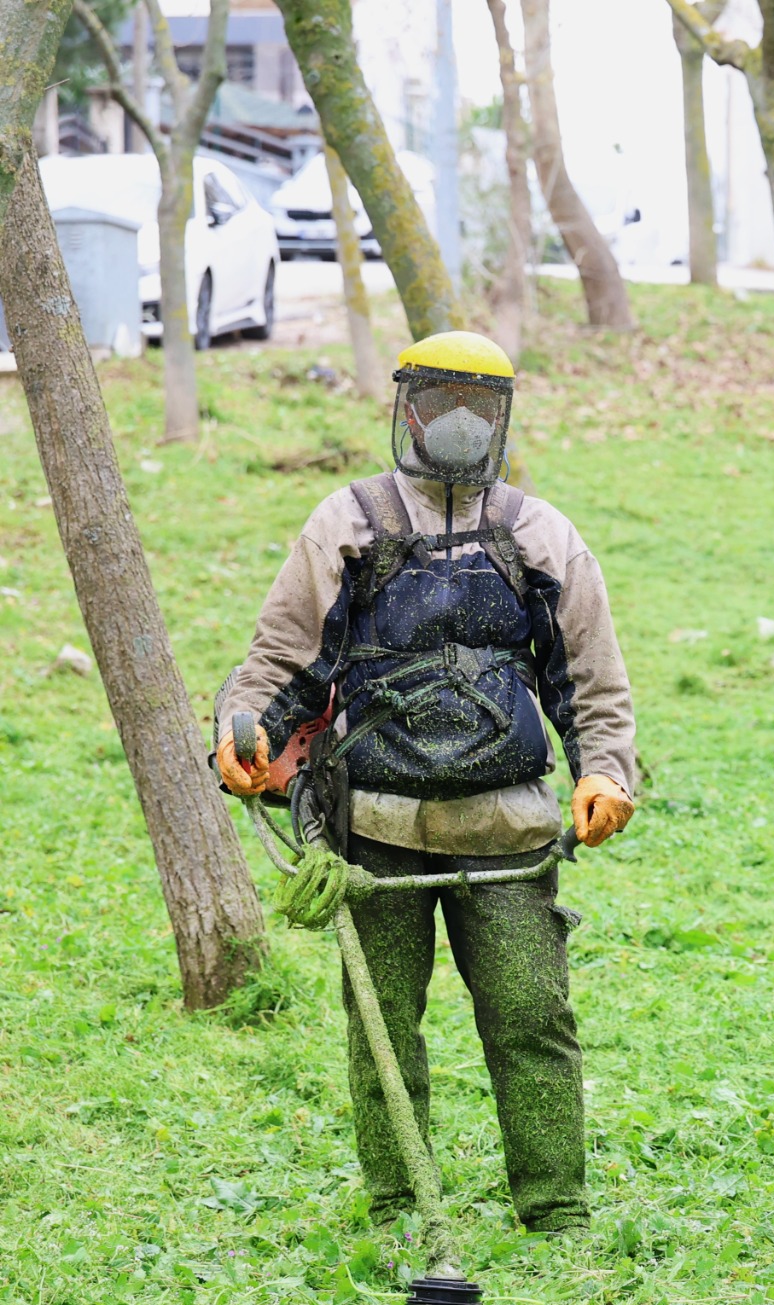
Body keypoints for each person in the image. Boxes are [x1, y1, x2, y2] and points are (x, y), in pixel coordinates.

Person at [215, 330, 636, 1238]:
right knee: (381, 1027)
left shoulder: (539, 534)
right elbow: (282, 662)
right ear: (406, 408)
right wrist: (244, 730)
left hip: (510, 835)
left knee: (532, 1019)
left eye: (476, 403)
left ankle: (556, 1210)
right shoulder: (348, 524)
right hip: (373, 831)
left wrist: (605, 770)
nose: (456, 420)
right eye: (438, 398)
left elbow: (592, 682)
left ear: (501, 417)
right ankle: (400, 1204)